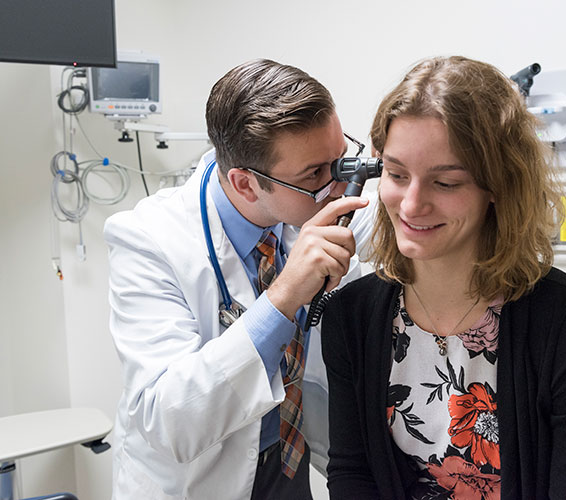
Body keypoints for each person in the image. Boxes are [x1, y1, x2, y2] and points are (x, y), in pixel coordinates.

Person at [321, 56, 566, 500]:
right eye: (396, 175)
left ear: (498, 186)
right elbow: (353, 473)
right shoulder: (350, 317)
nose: (410, 206)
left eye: (445, 182)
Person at [104, 59, 375, 499]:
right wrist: (284, 295)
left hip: (294, 465)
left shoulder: (314, 200)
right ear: (246, 184)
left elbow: (404, 227)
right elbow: (167, 419)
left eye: (340, 160)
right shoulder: (147, 239)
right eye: (315, 174)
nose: (337, 185)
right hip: (201, 479)